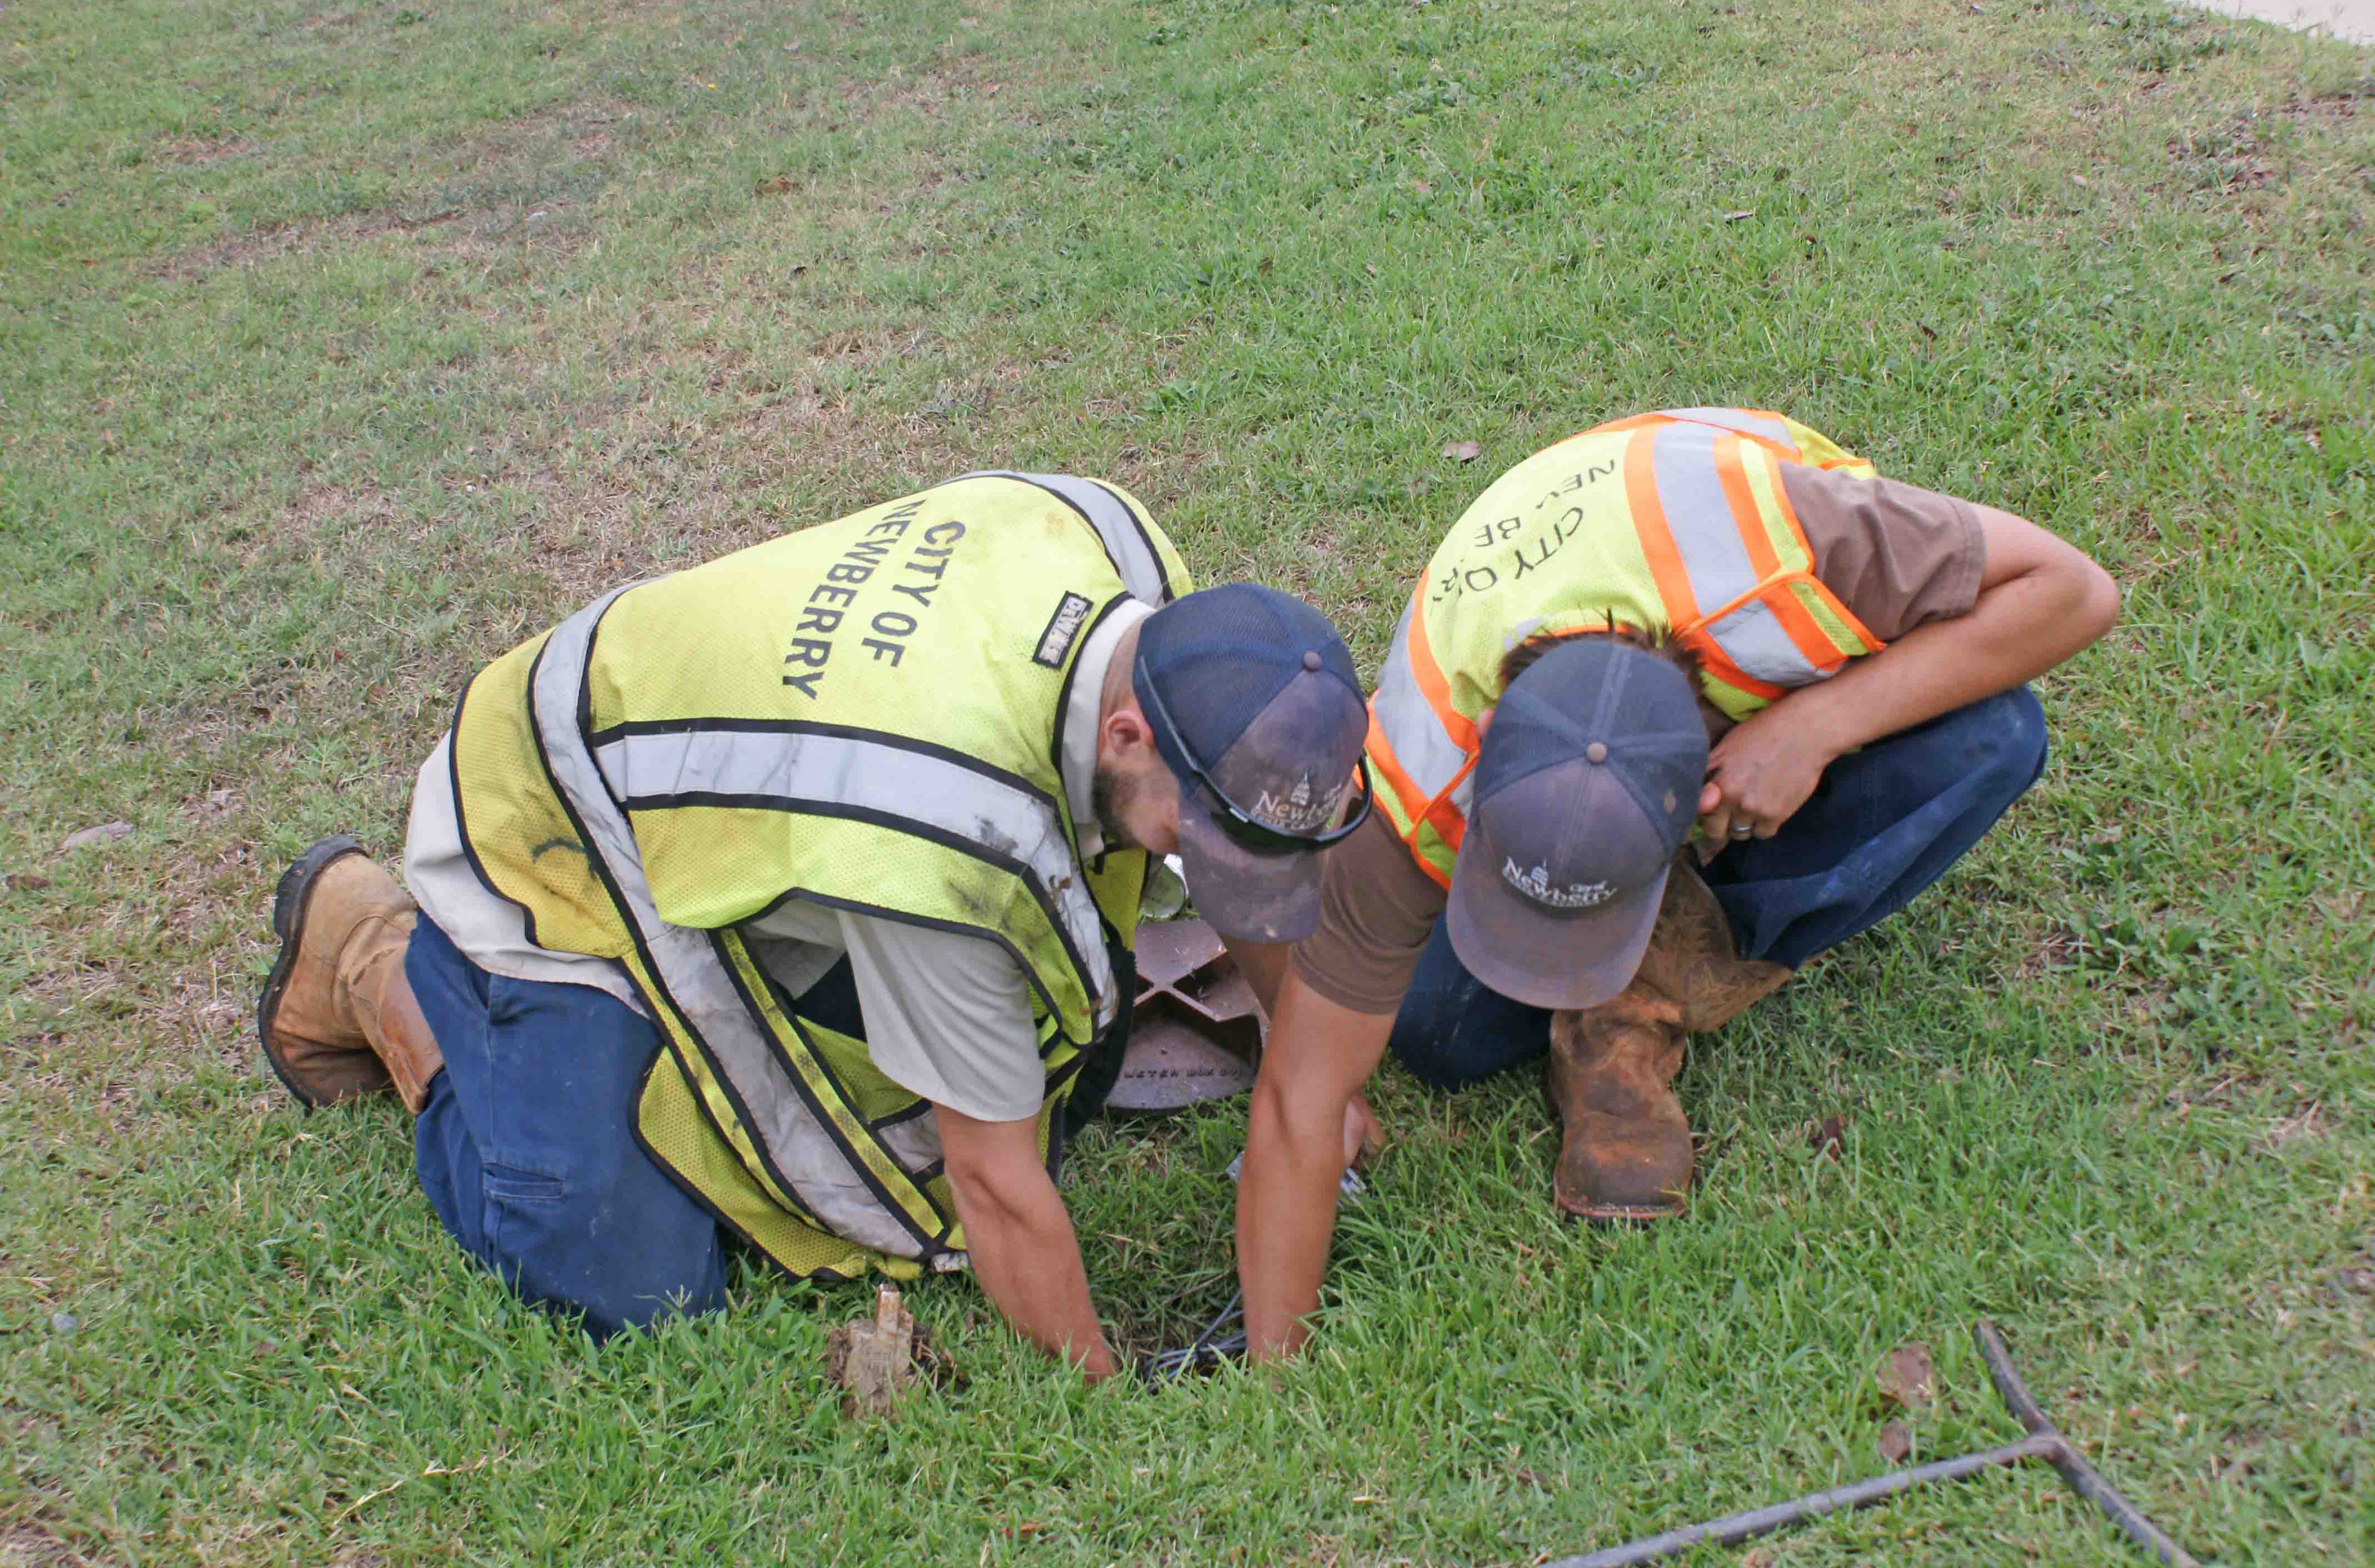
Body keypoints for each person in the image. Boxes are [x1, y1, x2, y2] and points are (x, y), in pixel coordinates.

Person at [254, 470, 1373, 1375]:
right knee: (627, 1276)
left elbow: (1255, 871)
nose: (1217, 874)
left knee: (1055, 1082)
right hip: (551, 822)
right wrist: (1101, 1384)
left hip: (752, 784)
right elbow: (990, 1181)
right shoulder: (944, 825)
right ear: (1128, 734)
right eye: (1204, 839)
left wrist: (1313, 1075)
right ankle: (383, 961)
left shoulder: (1147, 587)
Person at [1229, 408, 2120, 1361]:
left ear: (1700, 791)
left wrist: (1818, 727)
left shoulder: (1797, 546)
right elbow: (1300, 1099)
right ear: (1482, 790)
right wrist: (1280, 1370)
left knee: (1995, 736)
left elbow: (2074, 590)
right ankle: (1607, 954)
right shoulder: (1419, 759)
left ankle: (1642, 1011)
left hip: (1760, 663)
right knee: (1439, 1035)